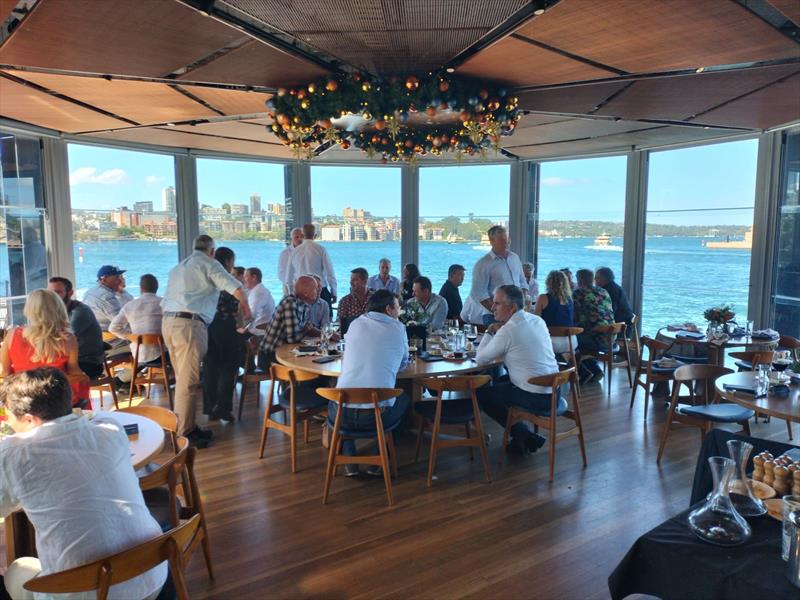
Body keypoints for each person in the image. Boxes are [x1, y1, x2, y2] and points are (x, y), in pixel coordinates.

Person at [0, 368, 167, 600]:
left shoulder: (13, 453)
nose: (9, 424)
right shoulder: (111, 428)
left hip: (89, 591)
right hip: (153, 574)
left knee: (17, 571)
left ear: (29, 419)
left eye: (9, 417)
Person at [161, 234, 250, 447]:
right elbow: (235, 287)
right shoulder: (209, 264)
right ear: (212, 251)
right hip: (189, 325)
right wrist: (245, 303)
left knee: (183, 379)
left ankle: (188, 426)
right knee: (188, 382)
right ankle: (184, 434)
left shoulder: (179, 267)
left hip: (168, 322)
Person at [330, 289, 411, 475]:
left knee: (335, 400)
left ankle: (350, 460)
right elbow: (402, 364)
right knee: (404, 399)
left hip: (343, 415)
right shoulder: (398, 328)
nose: (399, 312)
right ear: (389, 309)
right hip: (376, 416)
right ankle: (377, 460)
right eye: (398, 308)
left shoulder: (356, 324)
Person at [475, 285, 559, 454]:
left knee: (481, 395)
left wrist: (490, 331)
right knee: (501, 381)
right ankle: (522, 438)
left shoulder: (509, 330)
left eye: (497, 303)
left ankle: (523, 435)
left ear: (512, 307)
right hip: (555, 390)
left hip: (536, 396)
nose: (492, 307)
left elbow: (480, 359)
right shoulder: (537, 320)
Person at [0, 289, 90, 408]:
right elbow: (73, 371)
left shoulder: (12, 334)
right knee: (83, 380)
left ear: (29, 310)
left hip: (24, 398)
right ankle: (82, 418)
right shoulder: (67, 338)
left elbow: (6, 373)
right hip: (56, 399)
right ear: (58, 309)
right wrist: (83, 377)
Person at [203, 247, 245, 423]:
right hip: (226, 327)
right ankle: (223, 408)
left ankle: (210, 407)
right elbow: (237, 309)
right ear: (228, 262)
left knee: (210, 368)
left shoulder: (207, 279)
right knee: (229, 368)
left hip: (208, 326)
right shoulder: (227, 280)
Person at [463, 225, 527, 326]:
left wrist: (522, 303)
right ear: (492, 241)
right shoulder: (483, 264)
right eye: (502, 240)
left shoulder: (514, 258)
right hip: (494, 316)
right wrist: (499, 311)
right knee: (498, 341)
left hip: (516, 314)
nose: (506, 242)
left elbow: (522, 282)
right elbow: (479, 293)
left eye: (507, 239)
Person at [47, 276, 105, 379]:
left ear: (70, 293)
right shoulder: (55, 311)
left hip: (88, 363)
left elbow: (65, 338)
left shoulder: (80, 311)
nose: (53, 297)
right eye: (50, 293)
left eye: (58, 292)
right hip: (69, 360)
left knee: (45, 376)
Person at [259, 275, 323, 358]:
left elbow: (309, 326)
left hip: (288, 352)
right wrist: (306, 330)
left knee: (318, 357)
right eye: (315, 289)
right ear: (306, 293)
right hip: (272, 355)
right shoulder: (290, 303)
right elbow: (292, 339)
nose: (318, 291)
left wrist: (325, 335)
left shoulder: (303, 304)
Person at [109, 273, 163, 366]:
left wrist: (132, 337)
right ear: (157, 287)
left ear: (141, 288)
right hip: (162, 355)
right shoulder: (164, 304)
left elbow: (113, 328)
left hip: (139, 355)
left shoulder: (130, 305)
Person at [572, 268, 615, 384]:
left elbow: (572, 318)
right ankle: (595, 370)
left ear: (579, 281)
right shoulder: (604, 292)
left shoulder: (578, 294)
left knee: (569, 341)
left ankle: (583, 373)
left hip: (596, 339)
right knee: (580, 337)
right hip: (611, 338)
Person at [286, 223, 337, 312]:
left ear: (303, 235)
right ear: (315, 235)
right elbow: (330, 272)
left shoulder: (295, 251)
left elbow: (288, 277)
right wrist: (334, 292)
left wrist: (292, 294)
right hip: (320, 291)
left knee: (301, 322)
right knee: (325, 323)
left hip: (301, 293)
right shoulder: (321, 249)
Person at [534, 270, 577, 355]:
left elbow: (536, 321)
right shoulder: (569, 299)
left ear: (548, 282)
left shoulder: (543, 297)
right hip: (571, 341)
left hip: (552, 342)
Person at [82, 265, 125, 330]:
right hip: (107, 337)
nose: (120, 281)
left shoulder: (89, 291)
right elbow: (120, 323)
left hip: (92, 332)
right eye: (116, 278)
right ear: (104, 279)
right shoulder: (106, 296)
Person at [595, 266, 633, 332]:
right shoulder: (614, 287)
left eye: (596, 278)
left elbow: (610, 312)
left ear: (604, 279)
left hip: (620, 329)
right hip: (625, 326)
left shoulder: (608, 291)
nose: (594, 280)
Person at [243, 267, 275, 335]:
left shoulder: (257, 293)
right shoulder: (259, 289)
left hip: (259, 332)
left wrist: (238, 325)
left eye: (245, 277)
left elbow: (251, 316)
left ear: (254, 277)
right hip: (259, 328)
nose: (243, 280)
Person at [278, 227, 304, 296]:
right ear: (292, 238)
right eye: (297, 237)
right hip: (289, 286)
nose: (300, 239)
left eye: (302, 236)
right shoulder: (285, 253)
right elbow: (281, 273)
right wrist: (291, 284)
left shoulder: (307, 251)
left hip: (305, 286)